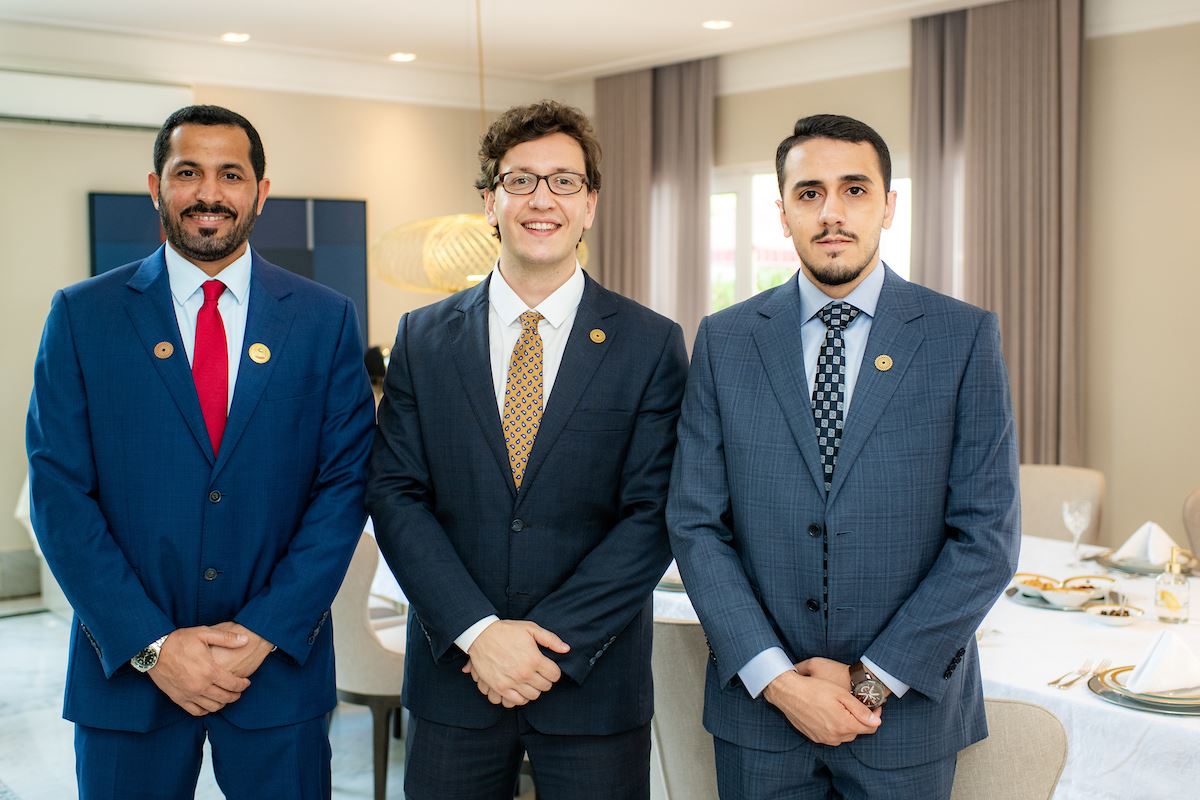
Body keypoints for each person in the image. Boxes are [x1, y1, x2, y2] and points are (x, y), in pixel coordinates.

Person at [26, 104, 375, 799]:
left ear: (260, 192)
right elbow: (60, 495)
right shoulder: (82, 315)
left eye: (230, 174)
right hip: (127, 675)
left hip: (277, 671)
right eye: (188, 172)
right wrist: (153, 646)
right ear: (155, 187)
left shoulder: (323, 319)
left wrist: (262, 632)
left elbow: (343, 489)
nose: (208, 193)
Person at [667, 114, 1020, 798]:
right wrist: (778, 680)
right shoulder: (724, 340)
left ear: (889, 205)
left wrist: (869, 681)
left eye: (855, 189)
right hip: (762, 717)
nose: (832, 212)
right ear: (782, 212)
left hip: (906, 721)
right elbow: (695, 525)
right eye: (809, 193)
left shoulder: (962, 337)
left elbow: (987, 538)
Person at [367, 99, 687, 800]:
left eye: (564, 181)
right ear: (490, 201)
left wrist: (544, 642)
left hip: (592, 684)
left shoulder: (650, 343)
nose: (543, 200)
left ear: (591, 204)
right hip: (455, 679)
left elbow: (654, 511)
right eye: (521, 181)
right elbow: (395, 494)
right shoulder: (421, 338)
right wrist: (479, 633)